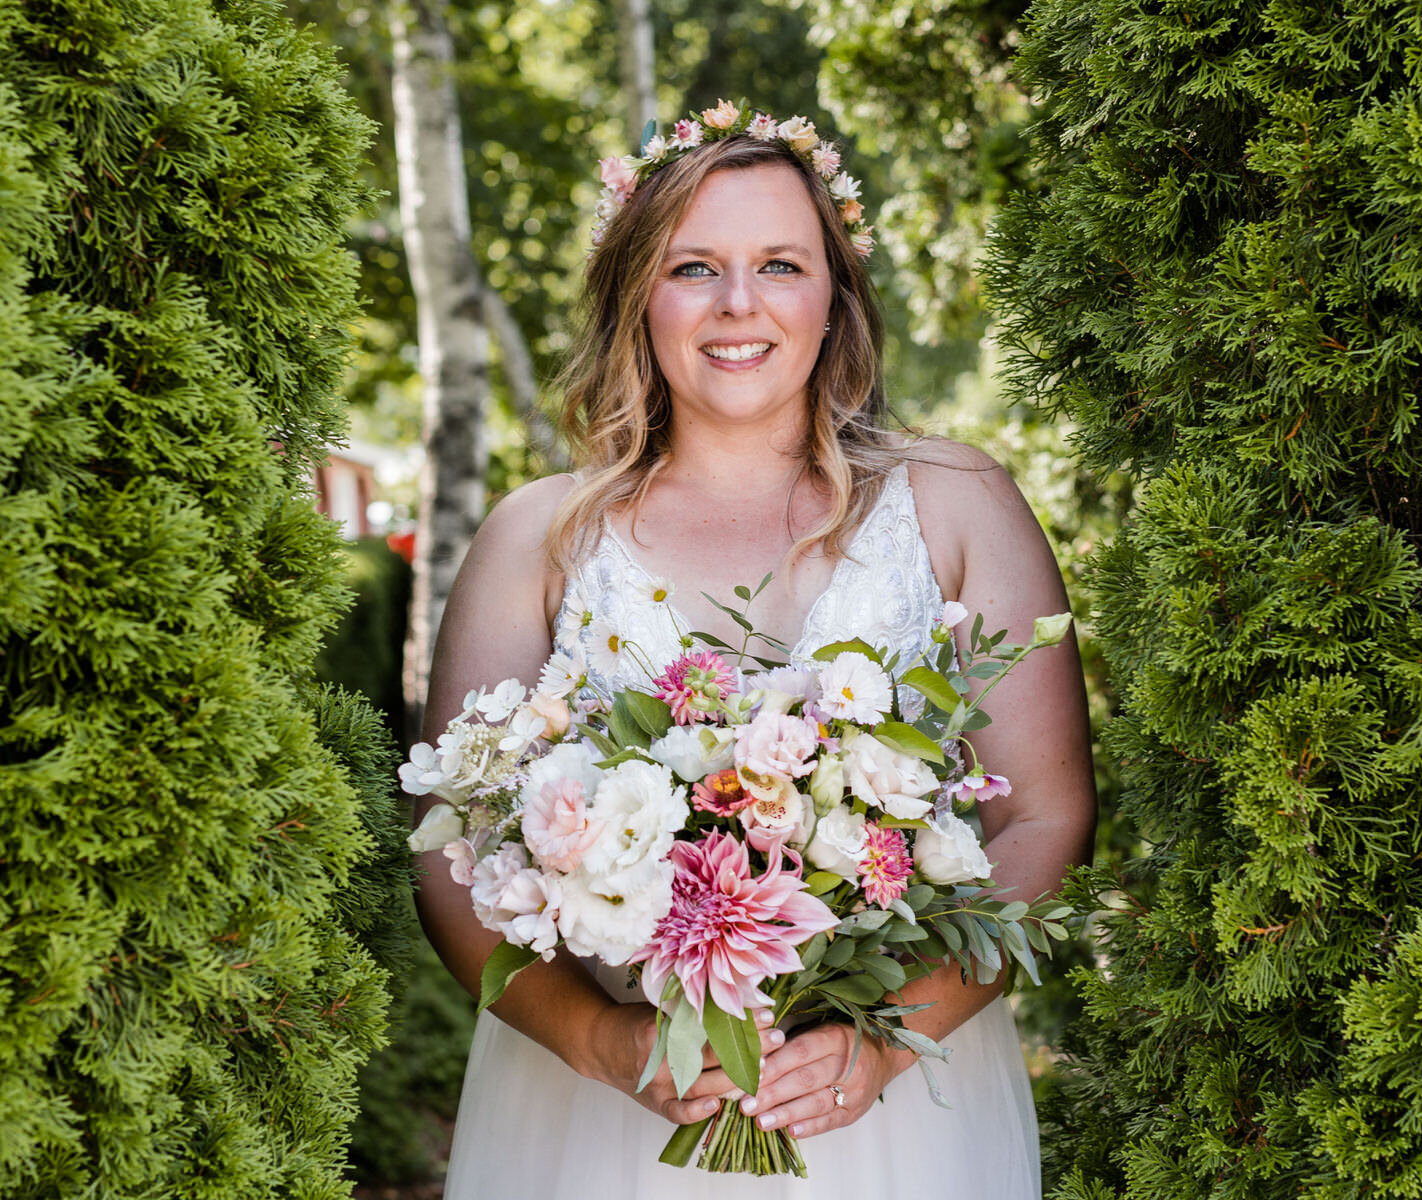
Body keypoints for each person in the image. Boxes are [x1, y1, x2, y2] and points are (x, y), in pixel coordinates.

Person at [415, 103, 1096, 1199]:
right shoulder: (534, 538)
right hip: (597, 1123)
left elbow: (1048, 816)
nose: (740, 305)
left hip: (894, 1120)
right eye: (695, 268)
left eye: (780, 263)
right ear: (640, 294)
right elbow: (449, 865)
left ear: (834, 296)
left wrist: (883, 1042)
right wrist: (606, 1045)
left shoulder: (958, 504)